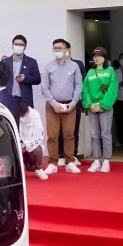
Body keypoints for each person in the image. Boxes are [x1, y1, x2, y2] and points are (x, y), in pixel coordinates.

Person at [40, 38, 82, 175]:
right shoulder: (48, 67)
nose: (57, 50)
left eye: (60, 48)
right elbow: (44, 88)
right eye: (55, 48)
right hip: (52, 105)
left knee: (69, 135)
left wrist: (73, 103)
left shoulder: (74, 66)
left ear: (66, 50)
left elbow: (78, 85)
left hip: (70, 104)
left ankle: (70, 162)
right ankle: (53, 163)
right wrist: (54, 103)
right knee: (52, 135)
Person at [82, 47, 119, 172]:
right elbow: (85, 89)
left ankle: (106, 160)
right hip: (92, 107)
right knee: (94, 134)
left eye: (99, 56)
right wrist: (89, 104)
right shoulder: (90, 72)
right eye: (95, 56)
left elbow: (112, 89)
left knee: (105, 133)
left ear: (104, 57)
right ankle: (96, 160)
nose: (97, 58)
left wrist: (103, 105)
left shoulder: (110, 71)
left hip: (105, 107)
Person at [2, 35, 42, 107]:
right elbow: (0, 79)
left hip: (24, 100)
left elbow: (37, 79)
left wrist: (25, 79)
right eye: (16, 44)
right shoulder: (5, 61)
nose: (18, 46)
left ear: (25, 47)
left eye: (21, 45)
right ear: (12, 45)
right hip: (8, 99)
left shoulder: (31, 62)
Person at [17, 99, 48, 180]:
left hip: (30, 144)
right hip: (19, 143)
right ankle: (18, 172)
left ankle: (38, 169)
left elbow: (39, 136)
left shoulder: (35, 115)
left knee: (37, 149)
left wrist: (25, 144)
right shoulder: (14, 115)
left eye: (23, 115)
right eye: (20, 115)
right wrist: (19, 143)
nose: (21, 117)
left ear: (27, 111)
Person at [113, 53, 123, 146]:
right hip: (118, 99)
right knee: (119, 121)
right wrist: (118, 84)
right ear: (119, 60)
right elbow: (112, 86)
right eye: (121, 58)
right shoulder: (115, 72)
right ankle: (120, 140)